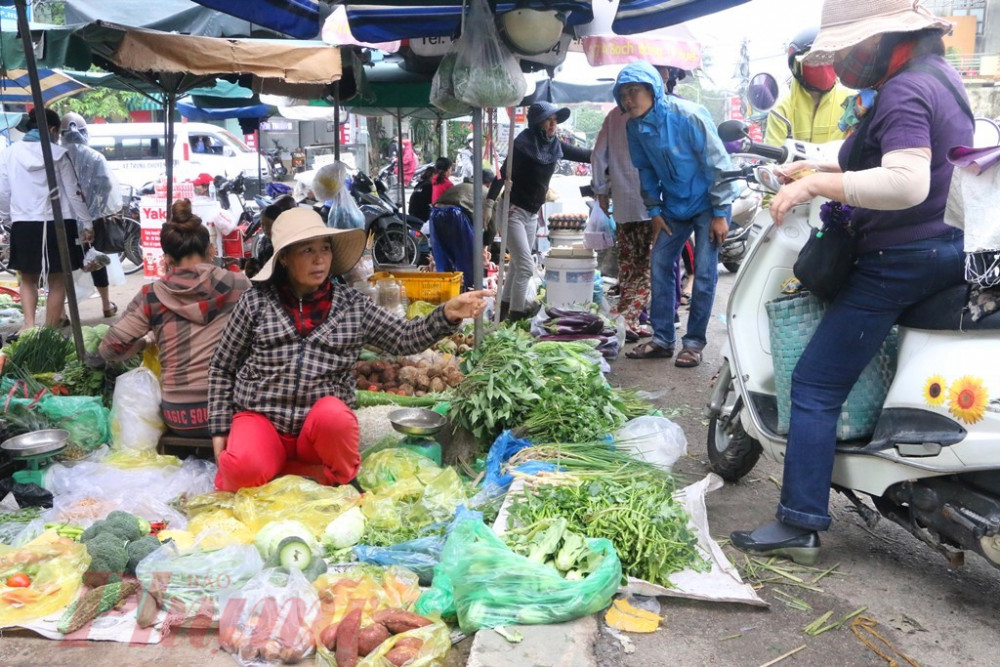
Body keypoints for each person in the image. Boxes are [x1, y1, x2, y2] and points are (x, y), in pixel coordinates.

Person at [731, 0, 971, 564]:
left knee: (814, 384)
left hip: (900, 257)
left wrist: (815, 189)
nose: (849, 58)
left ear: (890, 40)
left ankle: (799, 522)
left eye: (858, 45)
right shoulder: (942, 78)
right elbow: (907, 161)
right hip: (943, 248)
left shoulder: (906, 89)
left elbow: (906, 182)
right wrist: (821, 170)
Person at [208, 208, 491, 492]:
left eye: (325, 249)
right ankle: (297, 472)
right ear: (284, 257)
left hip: (317, 431)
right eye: (307, 250)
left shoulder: (352, 305)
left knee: (334, 416)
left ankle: (326, 476)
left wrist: (448, 314)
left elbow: (405, 337)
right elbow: (222, 366)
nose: (320, 259)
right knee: (240, 470)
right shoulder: (255, 302)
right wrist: (220, 427)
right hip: (264, 420)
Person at [616, 61, 738, 367]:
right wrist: (654, 210)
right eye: (623, 93)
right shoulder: (634, 127)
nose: (629, 99)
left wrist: (721, 212)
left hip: (708, 204)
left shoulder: (688, 116)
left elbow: (718, 164)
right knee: (659, 261)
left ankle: (694, 343)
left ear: (653, 90)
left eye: (635, 90)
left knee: (706, 272)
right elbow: (644, 169)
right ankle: (662, 338)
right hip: (673, 206)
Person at [99, 199, 250, 438]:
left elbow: (109, 350)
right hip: (233, 410)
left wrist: (144, 344)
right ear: (210, 250)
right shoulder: (238, 284)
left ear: (166, 258)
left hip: (181, 417)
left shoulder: (151, 295)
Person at [488, 102, 591, 321]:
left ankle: (503, 314)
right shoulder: (522, 144)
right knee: (526, 266)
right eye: (549, 120)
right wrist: (488, 204)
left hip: (532, 213)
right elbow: (503, 173)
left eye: (555, 121)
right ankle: (516, 317)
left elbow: (585, 155)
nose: (553, 125)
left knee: (516, 266)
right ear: (537, 123)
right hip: (512, 211)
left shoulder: (554, 145)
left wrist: (609, 153)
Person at [0, 108, 92, 330]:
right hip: (58, 224)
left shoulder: (9, 154)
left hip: (24, 223)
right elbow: (73, 192)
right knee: (57, 280)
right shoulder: (59, 154)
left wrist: (6, 219)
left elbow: (3, 192)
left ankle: (30, 327)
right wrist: (87, 223)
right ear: (51, 129)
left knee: (28, 279)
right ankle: (49, 333)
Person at [591, 102, 653, 343]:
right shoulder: (654, 113)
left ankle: (629, 320)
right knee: (646, 268)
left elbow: (597, 155)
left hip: (624, 204)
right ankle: (625, 319)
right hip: (652, 205)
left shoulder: (613, 116)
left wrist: (601, 191)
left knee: (627, 266)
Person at [59, 112, 121, 320]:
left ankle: (62, 313)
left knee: (62, 265)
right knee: (97, 260)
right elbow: (107, 187)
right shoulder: (95, 157)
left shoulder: (55, 157)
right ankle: (105, 304)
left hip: (62, 220)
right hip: (92, 219)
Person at [763, 27, 854, 147]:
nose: (823, 65)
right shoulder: (782, 110)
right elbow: (772, 158)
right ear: (796, 66)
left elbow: (858, 149)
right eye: (813, 60)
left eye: (829, 58)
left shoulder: (850, 101)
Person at [430, 168, 497, 290]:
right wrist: (484, 247)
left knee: (444, 258)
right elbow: (491, 226)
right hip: (456, 215)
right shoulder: (487, 193)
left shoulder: (461, 186)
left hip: (435, 214)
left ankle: (447, 292)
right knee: (469, 261)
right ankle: (472, 291)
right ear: (489, 183)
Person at [244, 194, 296, 279]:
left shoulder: (286, 245)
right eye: (262, 224)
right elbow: (260, 261)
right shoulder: (265, 240)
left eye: (269, 225)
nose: (265, 229)